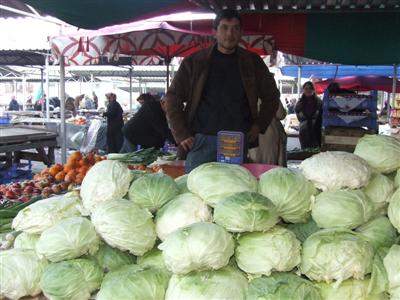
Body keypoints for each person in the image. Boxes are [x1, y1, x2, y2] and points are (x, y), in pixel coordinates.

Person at [164, 9, 280, 173]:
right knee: (196, 191)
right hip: (202, 140)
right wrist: (181, 133)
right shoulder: (195, 61)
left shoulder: (252, 63)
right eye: (224, 27)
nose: (229, 34)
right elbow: (172, 98)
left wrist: (259, 125)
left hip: (236, 141)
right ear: (214, 32)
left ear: (241, 32)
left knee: (232, 192)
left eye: (235, 28)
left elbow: (272, 96)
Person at [248, 101, 287, 166]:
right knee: (268, 166)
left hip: (250, 132)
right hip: (268, 131)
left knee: (253, 164)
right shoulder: (269, 92)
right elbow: (280, 114)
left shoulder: (243, 93)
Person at [295, 81, 323, 149]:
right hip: (304, 130)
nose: (308, 90)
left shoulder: (319, 102)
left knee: (316, 153)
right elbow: (299, 118)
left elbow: (322, 117)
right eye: (306, 88)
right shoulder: (299, 103)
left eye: (310, 88)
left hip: (316, 131)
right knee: (304, 152)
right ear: (303, 90)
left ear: (313, 90)